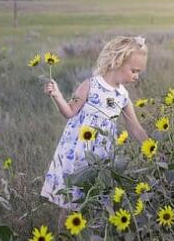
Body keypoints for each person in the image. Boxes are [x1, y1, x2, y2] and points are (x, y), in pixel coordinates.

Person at [41, 36, 149, 228]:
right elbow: (69, 111)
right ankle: (62, 235)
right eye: (134, 71)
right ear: (118, 62)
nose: (136, 76)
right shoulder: (90, 85)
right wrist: (57, 95)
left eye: (138, 72)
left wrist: (152, 148)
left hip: (101, 159)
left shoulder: (123, 96)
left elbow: (135, 128)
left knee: (96, 201)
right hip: (78, 155)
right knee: (70, 204)